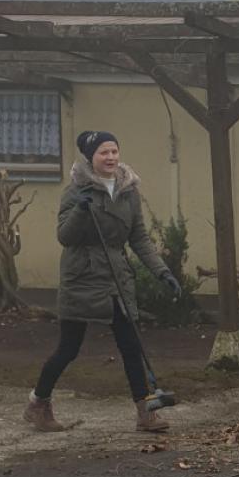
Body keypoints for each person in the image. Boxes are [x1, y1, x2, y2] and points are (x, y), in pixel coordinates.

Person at [26, 131, 181, 433]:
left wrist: (162, 272)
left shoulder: (128, 191)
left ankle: (146, 412)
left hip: (116, 278)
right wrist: (80, 211)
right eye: (103, 152)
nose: (110, 157)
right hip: (82, 278)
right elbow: (65, 237)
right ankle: (37, 404)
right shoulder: (76, 191)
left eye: (114, 151)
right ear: (90, 157)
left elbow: (139, 237)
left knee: (131, 346)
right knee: (68, 349)